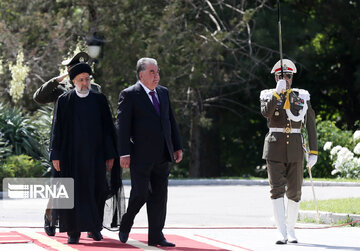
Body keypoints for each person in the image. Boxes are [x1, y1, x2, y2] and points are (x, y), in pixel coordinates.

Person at [49, 62, 123, 244]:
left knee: (96, 191)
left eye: (87, 79)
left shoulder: (99, 100)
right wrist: (55, 154)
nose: (85, 83)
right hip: (71, 157)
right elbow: (56, 129)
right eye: (81, 80)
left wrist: (110, 154)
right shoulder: (64, 101)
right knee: (72, 193)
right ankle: (73, 232)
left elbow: (108, 130)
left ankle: (94, 227)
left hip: (95, 156)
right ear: (73, 81)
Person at [116, 57, 183, 247]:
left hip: (163, 153)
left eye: (157, 72)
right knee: (140, 194)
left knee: (160, 196)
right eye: (152, 72)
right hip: (140, 155)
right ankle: (127, 221)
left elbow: (170, 121)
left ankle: (156, 236)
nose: (157, 76)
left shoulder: (163, 93)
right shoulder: (129, 94)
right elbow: (122, 127)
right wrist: (124, 153)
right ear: (141, 75)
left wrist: (177, 146)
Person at [33, 52, 101, 237]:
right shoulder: (60, 88)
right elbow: (38, 97)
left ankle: (89, 225)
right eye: (70, 68)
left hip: (86, 144)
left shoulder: (94, 88)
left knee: (88, 185)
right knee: (61, 185)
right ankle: (50, 217)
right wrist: (58, 79)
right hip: (64, 142)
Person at [260, 59, 318, 244]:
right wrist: (277, 93)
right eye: (280, 75)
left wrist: (313, 152)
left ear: (292, 77)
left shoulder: (302, 96)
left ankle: (291, 230)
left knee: (295, 191)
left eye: (288, 75)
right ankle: (281, 231)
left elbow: (310, 125)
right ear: (275, 77)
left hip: (295, 148)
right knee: (276, 190)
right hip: (275, 147)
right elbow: (266, 113)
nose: (284, 78)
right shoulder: (268, 95)